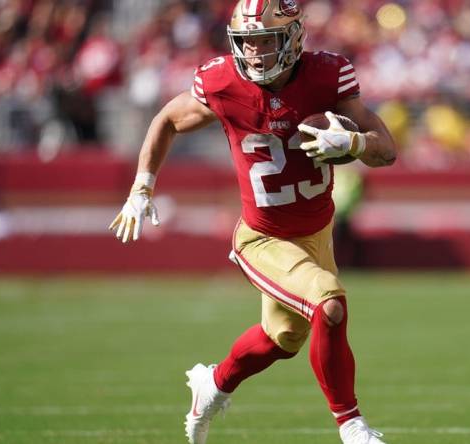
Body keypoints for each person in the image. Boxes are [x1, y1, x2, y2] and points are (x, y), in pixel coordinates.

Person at [108, 1, 396, 443]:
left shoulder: (327, 75)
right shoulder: (223, 81)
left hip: (316, 232)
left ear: (294, 38)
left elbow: (386, 149)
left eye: (266, 41)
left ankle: (213, 384)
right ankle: (352, 426)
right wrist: (142, 185)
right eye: (249, 43)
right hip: (262, 238)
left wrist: (353, 141)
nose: (257, 53)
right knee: (330, 304)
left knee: (280, 339)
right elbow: (167, 118)